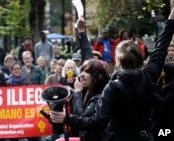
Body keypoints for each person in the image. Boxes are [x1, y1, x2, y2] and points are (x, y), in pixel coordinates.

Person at [50, 9, 174, 141]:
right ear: (140, 59)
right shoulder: (150, 76)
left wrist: (67, 118)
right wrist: (171, 20)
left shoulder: (112, 88)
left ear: (118, 62)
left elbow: (98, 121)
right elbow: (161, 47)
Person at [154, 63, 174, 135]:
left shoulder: (172, 86)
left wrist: (155, 95)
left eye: (163, 71)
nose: (161, 72)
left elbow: (165, 101)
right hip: (158, 116)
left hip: (168, 117)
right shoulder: (159, 82)